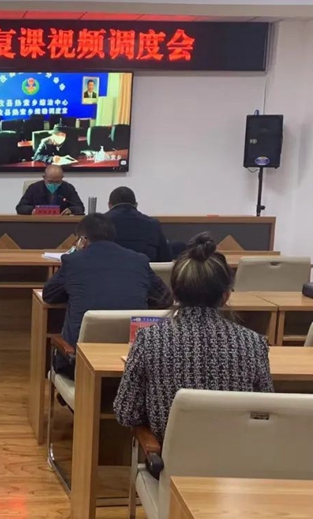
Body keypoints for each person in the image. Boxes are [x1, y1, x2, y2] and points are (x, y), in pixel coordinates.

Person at [114, 233, 273, 444]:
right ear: (225, 296)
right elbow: (264, 413)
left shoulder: (150, 340)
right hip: (235, 457)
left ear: (175, 294)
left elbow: (126, 413)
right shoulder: (253, 343)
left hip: (170, 457)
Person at [42, 214, 172, 362]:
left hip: (80, 361)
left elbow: (49, 295)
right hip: (131, 359)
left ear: (83, 240)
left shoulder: (73, 261)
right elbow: (165, 299)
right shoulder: (138, 260)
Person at [105, 186, 171, 262]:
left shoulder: (101, 223)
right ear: (136, 204)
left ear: (109, 205)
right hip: (145, 268)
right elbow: (165, 256)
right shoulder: (152, 223)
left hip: (108, 267)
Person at [16, 164, 85, 215]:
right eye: (50, 182)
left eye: (57, 182)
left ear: (62, 178)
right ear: (44, 178)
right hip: (38, 223)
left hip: (61, 224)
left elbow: (80, 207)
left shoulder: (68, 188)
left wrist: (71, 210)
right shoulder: (34, 188)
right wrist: (32, 210)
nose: (54, 185)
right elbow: (20, 207)